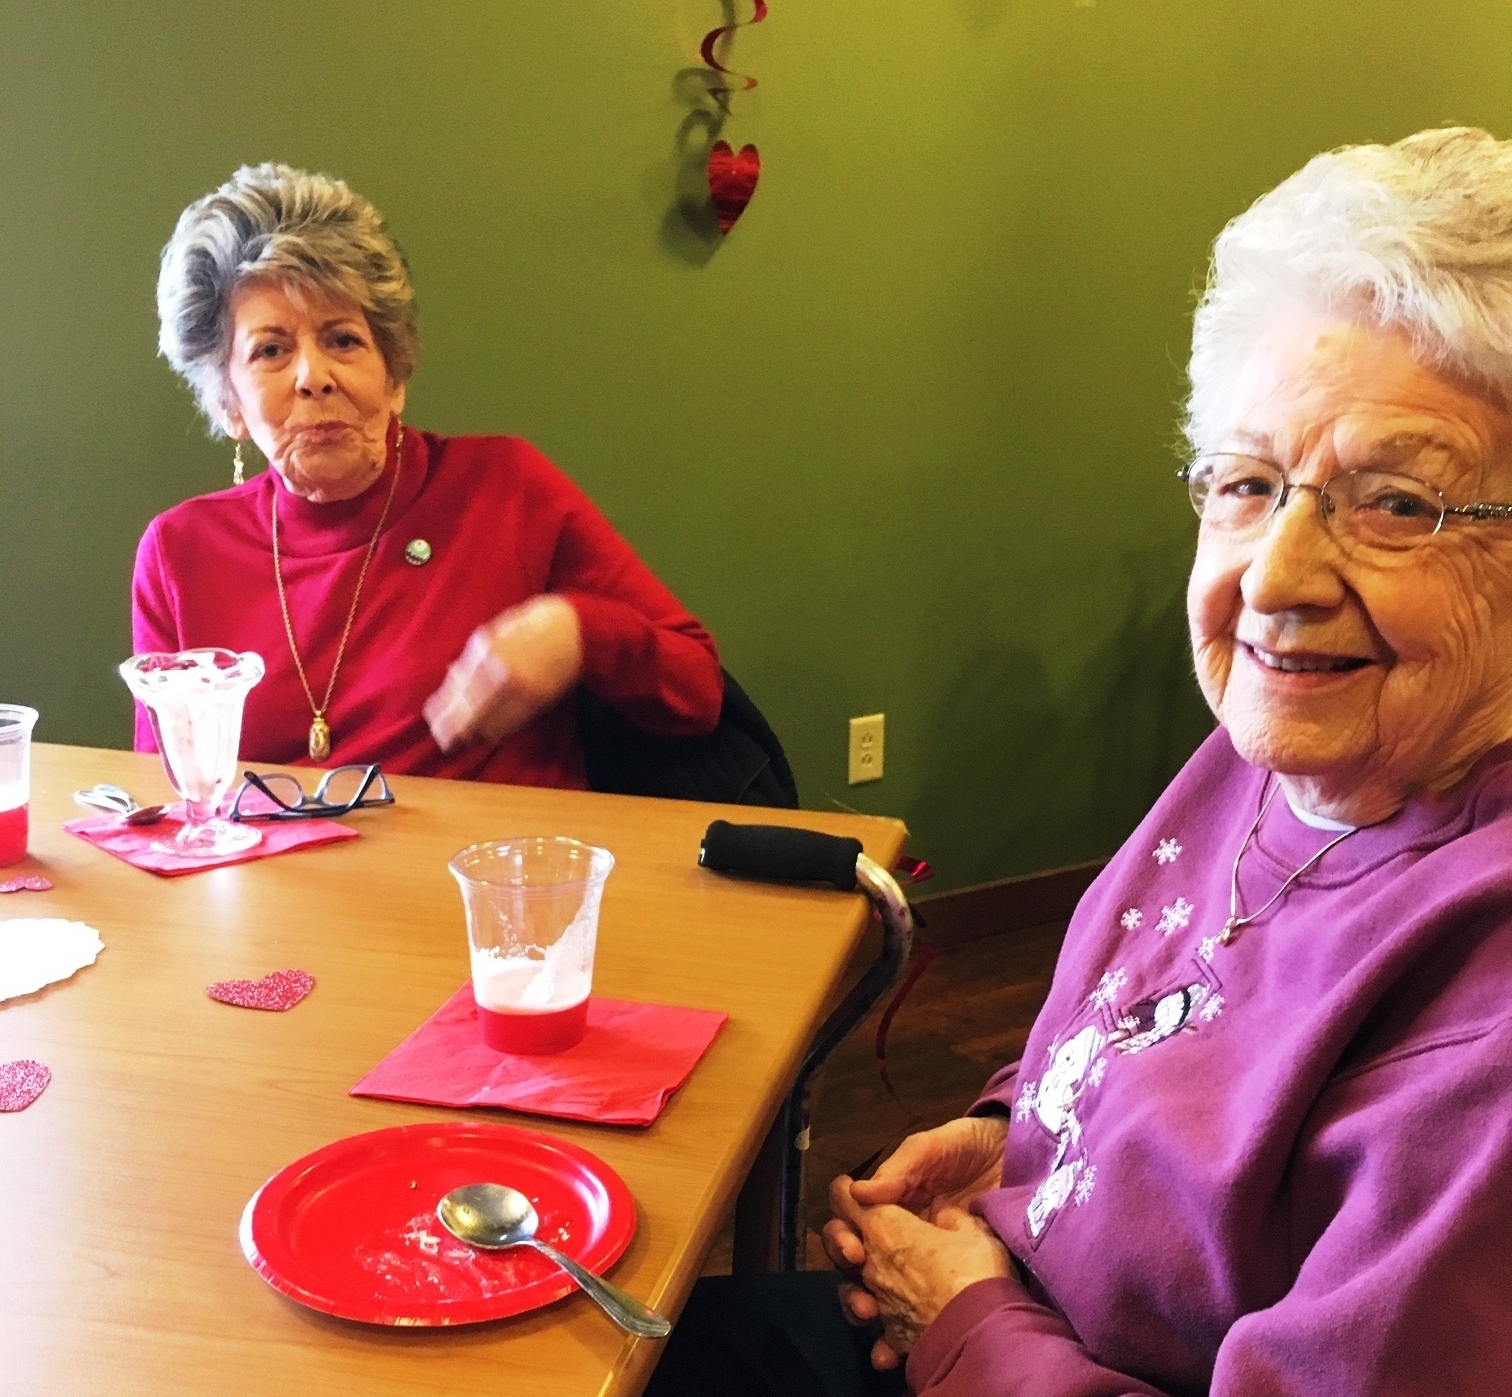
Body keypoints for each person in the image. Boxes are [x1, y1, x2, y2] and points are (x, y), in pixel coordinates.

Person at [648, 126, 1512, 1395]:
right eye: (1248, 483)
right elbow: (1156, 1031)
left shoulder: (1488, 1018)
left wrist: (967, 1322)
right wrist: (1012, 1136)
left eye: (1397, 503)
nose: (1275, 579)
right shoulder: (1282, 752)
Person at [133, 162, 723, 785]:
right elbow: (166, 793)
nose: (313, 377)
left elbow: (699, 688)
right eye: (271, 350)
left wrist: (580, 634)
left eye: (342, 340)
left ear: (394, 377)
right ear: (229, 404)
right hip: (265, 852)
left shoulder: (504, 488)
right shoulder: (178, 553)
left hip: (492, 847)